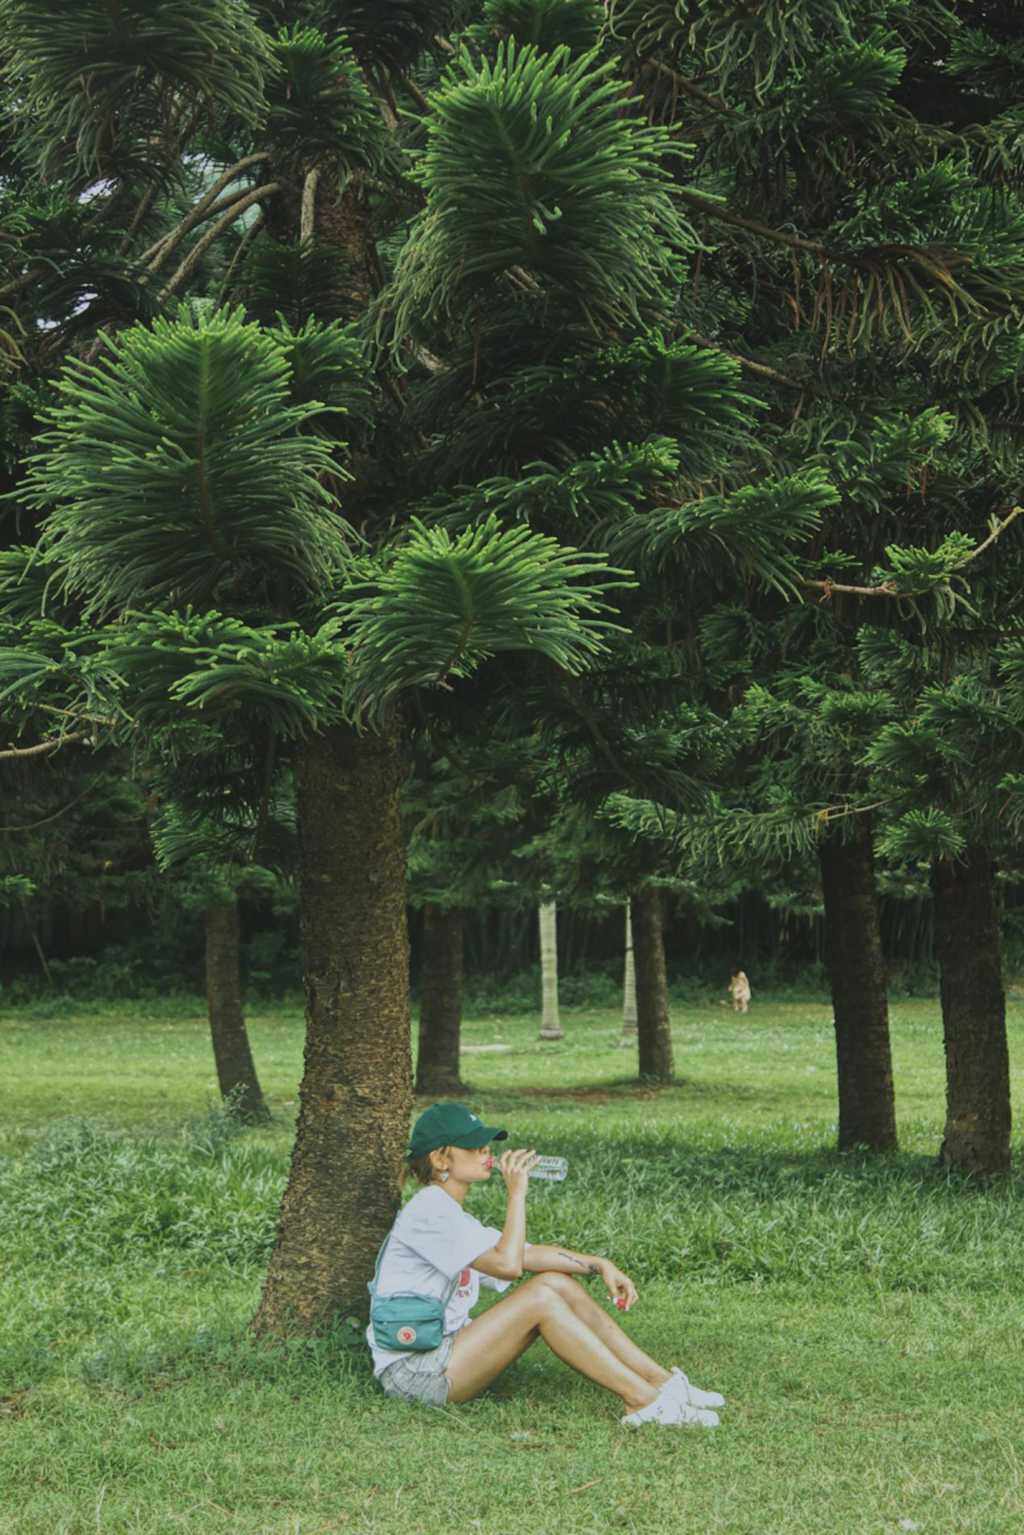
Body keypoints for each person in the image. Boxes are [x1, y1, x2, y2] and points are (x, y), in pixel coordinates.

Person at [367, 1101, 726, 1428]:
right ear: (441, 1160)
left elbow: (528, 1254)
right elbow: (508, 1266)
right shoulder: (430, 1211)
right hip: (415, 1372)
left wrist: (600, 1265)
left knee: (556, 1283)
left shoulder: (449, 1213)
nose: (485, 1153)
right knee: (541, 1298)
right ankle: (644, 1401)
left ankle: (663, 1383)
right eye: (473, 1147)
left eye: (486, 1145)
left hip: (446, 1353)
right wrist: (517, 1193)